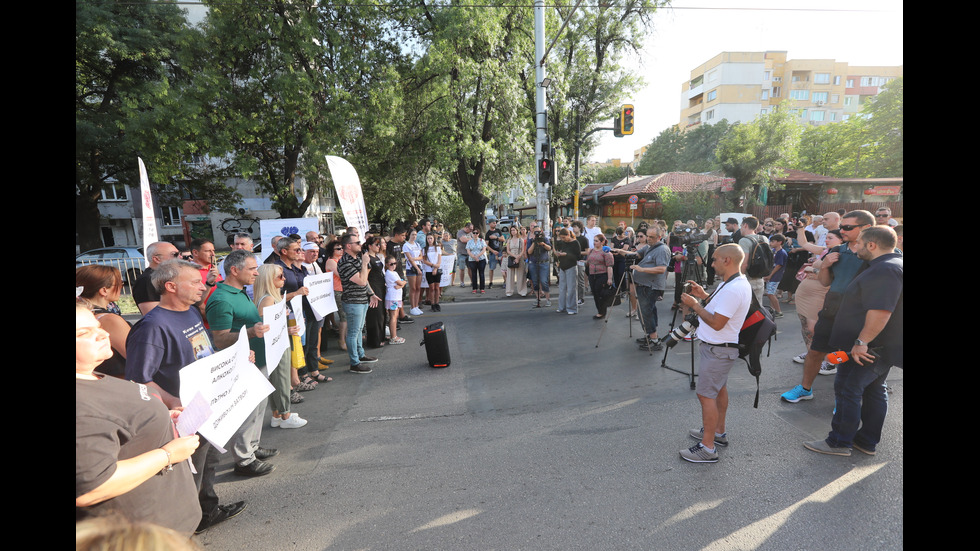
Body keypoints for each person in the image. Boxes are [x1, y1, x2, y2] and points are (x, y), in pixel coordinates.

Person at [124, 260, 247, 534]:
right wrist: (173, 402)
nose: (202, 286)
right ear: (170, 286)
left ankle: (207, 510)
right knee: (191, 472)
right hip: (185, 416)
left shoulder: (191, 312)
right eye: (194, 282)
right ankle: (185, 530)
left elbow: (202, 353)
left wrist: (234, 359)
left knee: (209, 463)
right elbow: (139, 380)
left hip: (209, 405)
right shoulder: (151, 327)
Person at [76, 301, 202, 535]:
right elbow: (92, 487)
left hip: (167, 527)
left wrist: (162, 419)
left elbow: (119, 425)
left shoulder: (90, 375)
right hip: (141, 536)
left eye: (97, 326)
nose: (103, 334)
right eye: (84, 333)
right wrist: (168, 454)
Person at [804, 226, 903, 456]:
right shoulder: (889, 264)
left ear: (871, 245)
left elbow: (880, 311)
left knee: (848, 388)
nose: (855, 247)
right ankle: (865, 441)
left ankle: (839, 442)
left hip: (868, 347)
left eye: (859, 243)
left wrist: (861, 342)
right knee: (874, 390)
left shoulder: (885, 269)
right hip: (876, 346)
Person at [780, 210, 876, 403]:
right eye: (841, 227)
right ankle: (805, 388)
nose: (842, 230)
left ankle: (846, 400)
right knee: (815, 351)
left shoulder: (876, 254)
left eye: (847, 227)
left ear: (866, 228)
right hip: (832, 308)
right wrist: (825, 266)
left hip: (859, 314)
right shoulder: (838, 251)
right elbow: (825, 282)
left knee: (852, 358)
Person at [204, 249, 281, 477]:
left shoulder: (238, 292)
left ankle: (252, 448)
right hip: (242, 364)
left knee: (258, 408)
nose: (257, 273)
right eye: (252, 269)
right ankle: (244, 460)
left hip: (256, 360)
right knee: (247, 411)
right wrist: (250, 332)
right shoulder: (220, 299)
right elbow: (219, 339)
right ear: (234, 270)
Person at [678, 244, 752, 463]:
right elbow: (722, 309)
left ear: (727, 261)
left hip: (719, 349)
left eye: (715, 260)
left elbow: (718, 322)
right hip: (720, 349)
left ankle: (707, 448)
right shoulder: (732, 283)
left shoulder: (733, 288)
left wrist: (694, 304)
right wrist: (704, 296)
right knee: (718, 389)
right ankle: (717, 432)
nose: (711, 264)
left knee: (706, 395)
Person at [253, 263, 308, 426]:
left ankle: (278, 415)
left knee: (278, 380)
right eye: (279, 276)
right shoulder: (269, 299)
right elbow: (267, 326)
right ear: (268, 280)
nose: (284, 278)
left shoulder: (272, 296)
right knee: (282, 380)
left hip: (278, 343)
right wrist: (287, 329)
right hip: (276, 345)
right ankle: (285, 415)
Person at [76, 265, 131, 378]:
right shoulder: (110, 320)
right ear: (104, 290)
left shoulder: (85, 315)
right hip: (118, 382)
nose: (122, 286)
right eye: (120, 284)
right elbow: (140, 357)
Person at [337, 233, 381, 373]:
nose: (360, 244)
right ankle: (354, 363)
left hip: (362, 300)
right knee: (353, 332)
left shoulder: (356, 258)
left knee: (359, 330)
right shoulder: (345, 262)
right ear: (348, 246)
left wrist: (371, 293)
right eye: (357, 242)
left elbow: (364, 279)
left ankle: (360, 355)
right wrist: (364, 263)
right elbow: (361, 280)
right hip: (353, 302)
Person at [630, 225, 670, 351]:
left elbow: (662, 269)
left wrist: (642, 269)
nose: (648, 239)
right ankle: (650, 335)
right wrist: (619, 251)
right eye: (647, 236)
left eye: (651, 237)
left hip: (651, 286)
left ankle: (654, 340)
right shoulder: (649, 246)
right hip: (644, 285)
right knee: (647, 311)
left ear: (659, 237)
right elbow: (636, 254)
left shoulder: (662, 249)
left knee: (646, 312)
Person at [133, 241, 180, 315]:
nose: (180, 257)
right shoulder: (147, 280)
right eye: (174, 255)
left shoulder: (166, 276)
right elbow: (153, 314)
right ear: (157, 259)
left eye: (179, 254)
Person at [364, 236, 389, 346]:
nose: (379, 246)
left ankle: (381, 336)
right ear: (370, 246)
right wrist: (371, 293)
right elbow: (365, 277)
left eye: (379, 244)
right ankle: (375, 340)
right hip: (374, 288)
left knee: (382, 313)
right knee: (375, 314)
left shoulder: (377, 257)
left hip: (381, 287)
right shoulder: (367, 258)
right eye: (376, 245)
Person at [737, 216, 768, 304]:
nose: (740, 228)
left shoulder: (744, 240)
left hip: (748, 279)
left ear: (745, 225)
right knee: (759, 307)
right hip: (760, 278)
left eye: (741, 226)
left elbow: (744, 264)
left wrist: (739, 279)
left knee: (746, 308)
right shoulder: (763, 238)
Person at [585, 233, 614, 319]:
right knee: (595, 293)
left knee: (600, 294)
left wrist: (609, 278)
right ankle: (599, 310)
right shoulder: (591, 251)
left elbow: (609, 266)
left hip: (602, 275)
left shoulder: (606, 252)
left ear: (602, 242)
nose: (594, 242)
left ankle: (602, 312)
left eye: (596, 241)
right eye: (594, 240)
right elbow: (588, 261)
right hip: (592, 275)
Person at [553, 228, 581, 315]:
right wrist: (559, 254)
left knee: (571, 288)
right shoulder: (562, 243)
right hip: (562, 266)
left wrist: (566, 254)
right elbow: (559, 251)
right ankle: (562, 307)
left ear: (568, 235)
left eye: (564, 237)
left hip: (571, 266)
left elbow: (578, 256)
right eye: (561, 238)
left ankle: (572, 308)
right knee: (562, 288)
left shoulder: (575, 242)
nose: (562, 239)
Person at [384, 256, 408, 345]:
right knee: (393, 317)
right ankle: (393, 337)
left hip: (396, 297)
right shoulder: (390, 273)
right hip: (392, 297)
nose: (393, 265)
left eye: (395, 263)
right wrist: (402, 284)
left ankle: (393, 336)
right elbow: (401, 282)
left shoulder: (394, 272)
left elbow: (401, 282)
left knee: (395, 316)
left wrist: (401, 284)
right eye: (391, 264)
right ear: (387, 265)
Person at [763, 233, 788, 318]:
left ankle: (778, 311)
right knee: (771, 293)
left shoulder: (781, 253)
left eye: (773, 241)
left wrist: (770, 275)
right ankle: (772, 309)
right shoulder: (774, 251)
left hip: (775, 276)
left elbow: (778, 265)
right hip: (773, 275)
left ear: (779, 242)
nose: (771, 243)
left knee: (770, 294)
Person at [526, 227, 553, 306]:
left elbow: (549, 248)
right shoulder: (531, 240)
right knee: (535, 282)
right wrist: (534, 242)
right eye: (535, 232)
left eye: (538, 231)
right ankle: (538, 298)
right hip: (533, 263)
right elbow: (529, 252)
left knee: (544, 281)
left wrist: (543, 244)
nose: (537, 233)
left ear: (541, 231)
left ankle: (548, 299)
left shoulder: (544, 239)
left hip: (543, 263)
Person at [403, 229, 424, 315]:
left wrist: (415, 258)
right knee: (413, 288)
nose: (414, 236)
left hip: (419, 266)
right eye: (412, 234)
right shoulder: (406, 245)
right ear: (409, 235)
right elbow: (409, 259)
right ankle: (412, 307)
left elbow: (421, 257)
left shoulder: (417, 244)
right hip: (411, 268)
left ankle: (416, 306)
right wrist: (417, 268)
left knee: (418, 287)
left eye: (415, 235)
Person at [503, 225, 527, 297]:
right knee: (510, 275)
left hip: (520, 257)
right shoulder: (509, 240)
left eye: (514, 230)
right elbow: (508, 250)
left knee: (521, 275)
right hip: (511, 257)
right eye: (511, 230)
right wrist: (515, 256)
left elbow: (523, 250)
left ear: (517, 231)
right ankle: (509, 291)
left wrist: (518, 257)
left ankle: (522, 290)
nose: (513, 232)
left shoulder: (521, 240)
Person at [421, 232, 443, 311]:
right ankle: (432, 303)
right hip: (428, 270)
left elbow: (439, 259)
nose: (429, 240)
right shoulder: (425, 249)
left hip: (436, 269)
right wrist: (433, 265)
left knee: (437, 288)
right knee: (431, 288)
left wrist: (436, 268)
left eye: (431, 238)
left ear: (434, 239)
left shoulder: (437, 248)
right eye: (428, 239)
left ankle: (437, 303)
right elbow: (424, 260)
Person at [466, 227, 489, 293]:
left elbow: (484, 249)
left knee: (481, 273)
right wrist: (474, 257)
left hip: (481, 259)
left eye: (476, 233)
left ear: (478, 234)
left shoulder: (482, 241)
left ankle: (482, 288)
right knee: (474, 274)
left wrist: (478, 256)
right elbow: (468, 250)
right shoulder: (469, 242)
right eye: (474, 233)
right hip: (472, 259)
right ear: (472, 233)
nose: (475, 234)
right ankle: (474, 288)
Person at [485, 219, 505, 288]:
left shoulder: (498, 231)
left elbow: (503, 239)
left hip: (500, 251)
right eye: (493, 223)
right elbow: (486, 245)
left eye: (495, 223)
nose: (495, 224)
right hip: (492, 252)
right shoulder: (488, 233)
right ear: (489, 224)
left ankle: (505, 281)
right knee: (491, 268)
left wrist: (496, 237)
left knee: (503, 267)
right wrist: (493, 251)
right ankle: (490, 282)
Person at [456, 222, 473, 288]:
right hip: (461, 253)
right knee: (462, 268)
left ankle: (472, 281)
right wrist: (472, 239)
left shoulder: (471, 233)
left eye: (472, 229)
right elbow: (463, 240)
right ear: (466, 227)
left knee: (470, 268)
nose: (471, 231)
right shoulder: (460, 232)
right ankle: (462, 282)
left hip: (469, 253)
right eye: (470, 229)